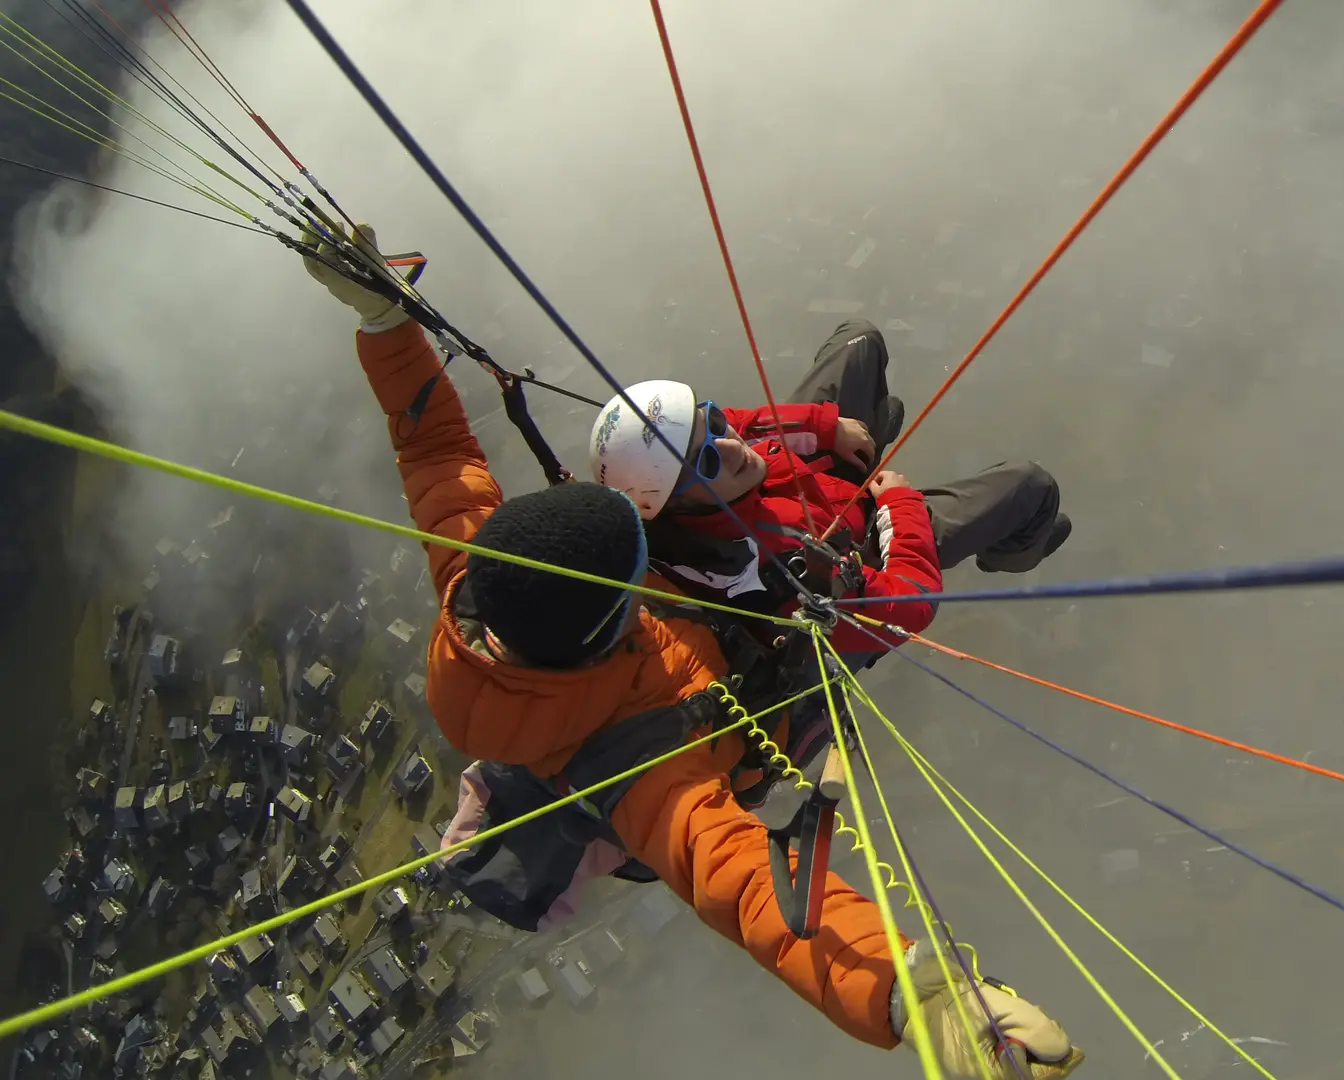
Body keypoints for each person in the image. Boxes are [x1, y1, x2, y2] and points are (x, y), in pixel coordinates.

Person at [301, 225, 1082, 1078]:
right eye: (637, 566)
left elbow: (439, 457)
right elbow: (749, 891)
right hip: (793, 641)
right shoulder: (639, 770)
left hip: (763, 555)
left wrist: (387, 324)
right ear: (611, 622)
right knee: (1024, 490)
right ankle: (1012, 528)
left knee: (859, 351)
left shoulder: (485, 585)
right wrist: (918, 995)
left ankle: (865, 452)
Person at [587, 319, 1072, 663]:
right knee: (1033, 488)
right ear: (675, 504)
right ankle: (1011, 551)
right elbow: (910, 607)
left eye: (710, 421)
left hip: (810, 481)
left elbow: (738, 426)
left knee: (860, 340)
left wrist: (824, 427)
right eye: (707, 461)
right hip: (865, 541)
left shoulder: (698, 476)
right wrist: (899, 507)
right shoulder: (778, 569)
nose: (730, 445)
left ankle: (866, 433)